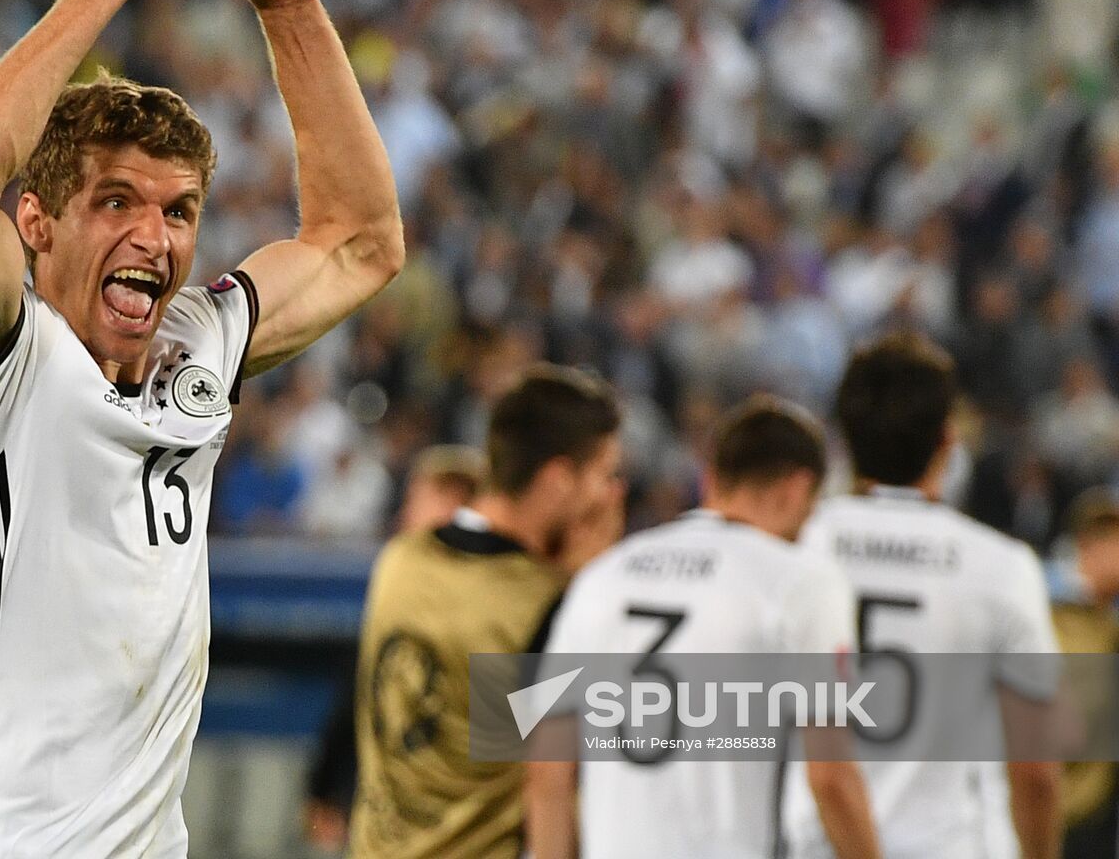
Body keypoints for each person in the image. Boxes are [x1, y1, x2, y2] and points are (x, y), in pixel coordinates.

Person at [0, 0, 402, 859]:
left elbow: (360, 243)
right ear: (35, 222)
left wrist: (292, 13)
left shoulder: (196, 349)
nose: (153, 235)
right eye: (115, 201)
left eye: (175, 211)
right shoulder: (3, 359)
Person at [528, 396, 881, 859]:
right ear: (798, 489)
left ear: (710, 479)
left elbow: (547, 772)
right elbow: (831, 776)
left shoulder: (601, 577)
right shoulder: (803, 583)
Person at [787, 332, 1060, 859]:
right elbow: (1036, 767)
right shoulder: (1000, 567)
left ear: (842, 437)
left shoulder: (795, 548)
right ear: (947, 440)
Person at [349, 365, 624, 858]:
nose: (611, 496)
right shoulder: (546, 605)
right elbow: (548, 779)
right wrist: (593, 586)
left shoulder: (399, 561)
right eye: (605, 475)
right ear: (560, 479)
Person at [304, 444, 488, 852]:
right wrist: (322, 787)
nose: (407, 515)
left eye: (419, 501)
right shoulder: (399, 575)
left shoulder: (500, 598)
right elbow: (362, 692)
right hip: (387, 815)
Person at [1051, 488, 1119, 859]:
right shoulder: (1061, 614)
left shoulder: (1105, 622)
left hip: (1096, 809)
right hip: (1064, 810)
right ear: (1086, 545)